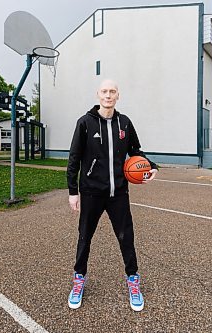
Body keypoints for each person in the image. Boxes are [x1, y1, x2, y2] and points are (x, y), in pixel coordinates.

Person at [66, 79, 158, 311]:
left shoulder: (124, 123)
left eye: (112, 91)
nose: (108, 95)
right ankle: (79, 280)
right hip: (91, 193)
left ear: (118, 95)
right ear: (98, 94)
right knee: (85, 237)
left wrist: (151, 165)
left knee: (126, 238)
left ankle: (133, 281)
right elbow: (74, 159)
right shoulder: (85, 123)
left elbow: (136, 151)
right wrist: (73, 192)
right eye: (104, 91)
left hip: (118, 193)